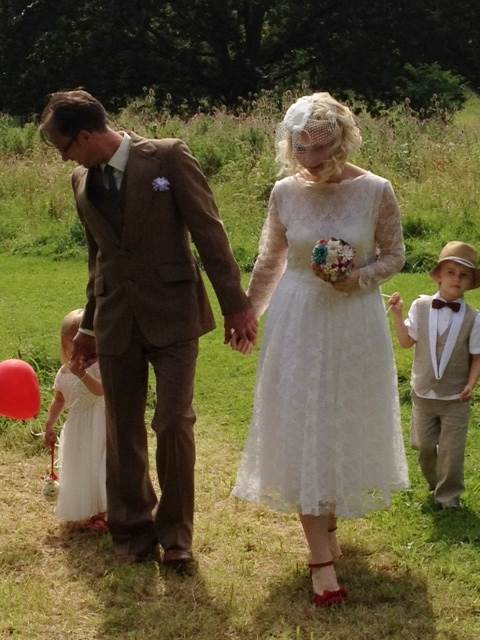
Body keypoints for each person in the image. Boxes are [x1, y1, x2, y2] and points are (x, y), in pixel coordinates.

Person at [39, 90, 257, 567]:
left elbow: (209, 232)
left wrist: (236, 306)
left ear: (88, 134)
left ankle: (176, 536)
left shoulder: (167, 157)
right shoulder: (81, 181)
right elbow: (98, 260)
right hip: (116, 321)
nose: (64, 158)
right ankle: (132, 533)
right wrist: (90, 329)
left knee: (174, 422)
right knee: (122, 428)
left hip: (174, 313)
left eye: (65, 147)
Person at [231, 92, 409, 607]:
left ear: (343, 140)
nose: (310, 160)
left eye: (321, 148)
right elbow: (270, 261)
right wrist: (247, 314)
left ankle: (326, 526)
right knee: (305, 419)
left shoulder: (377, 190)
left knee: (341, 418)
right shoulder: (285, 192)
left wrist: (359, 277)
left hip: (355, 320)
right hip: (299, 319)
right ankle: (321, 561)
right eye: (300, 149)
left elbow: (396, 254)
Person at [388, 241, 480, 509]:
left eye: (464, 275)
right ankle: (435, 481)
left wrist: (471, 384)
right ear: (438, 275)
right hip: (423, 393)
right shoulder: (420, 306)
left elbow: (477, 356)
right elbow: (406, 342)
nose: (456, 279)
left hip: (455, 398)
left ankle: (448, 496)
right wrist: (396, 314)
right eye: (450, 272)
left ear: (470, 283)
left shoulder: (474, 318)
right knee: (424, 446)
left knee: (452, 452)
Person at [44, 309, 107, 532]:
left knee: (100, 466)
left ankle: (102, 513)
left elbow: (100, 392)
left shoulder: (98, 368)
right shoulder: (63, 373)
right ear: (66, 345)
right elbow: (59, 401)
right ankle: (87, 509)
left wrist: (82, 374)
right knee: (82, 467)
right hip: (77, 428)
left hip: (100, 424)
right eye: (74, 343)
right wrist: (50, 425)